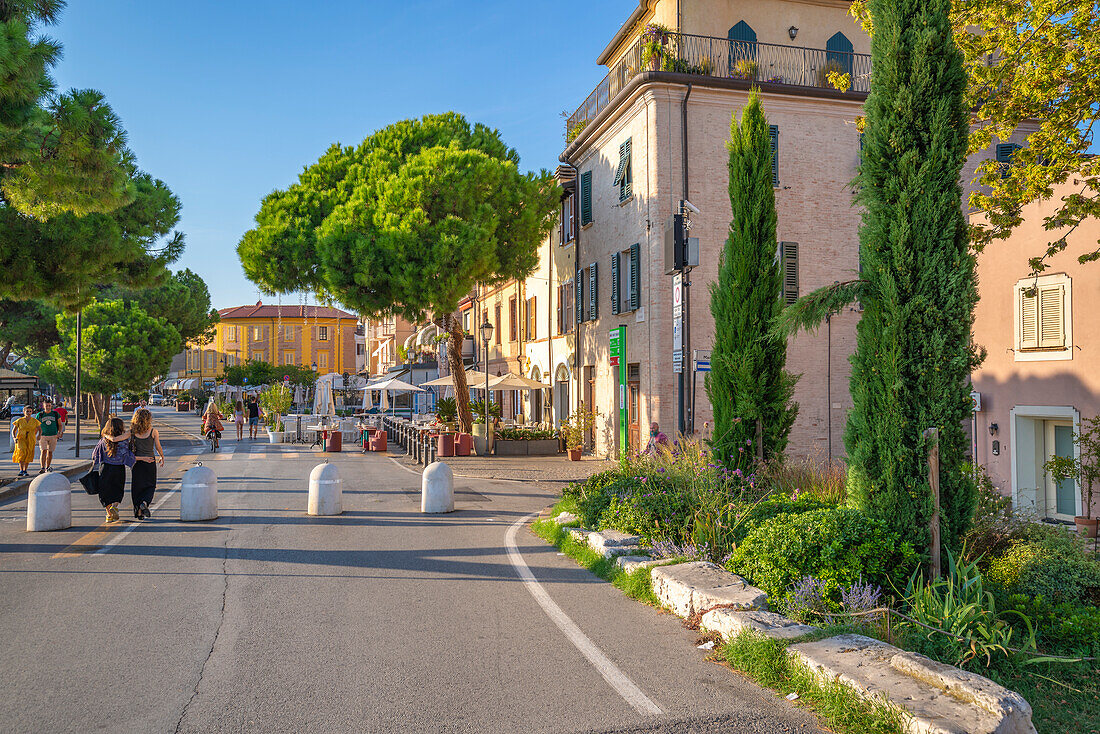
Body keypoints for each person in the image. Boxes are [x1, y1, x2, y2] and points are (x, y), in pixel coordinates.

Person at [91, 417, 136, 523]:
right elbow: (127, 454)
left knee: (105, 492)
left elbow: (95, 454)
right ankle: (115, 507)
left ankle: (109, 514)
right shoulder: (124, 441)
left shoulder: (103, 440)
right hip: (119, 468)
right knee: (118, 489)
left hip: (105, 468)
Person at [128, 408, 164, 519]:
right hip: (150, 462)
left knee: (137, 487)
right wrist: (162, 456)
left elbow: (118, 439)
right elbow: (158, 447)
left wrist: (107, 436)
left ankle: (138, 512)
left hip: (137, 463)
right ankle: (145, 502)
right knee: (150, 485)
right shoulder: (153, 431)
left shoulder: (132, 432)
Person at [10, 405, 40, 477]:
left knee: (28, 453)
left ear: (32, 412)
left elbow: (39, 429)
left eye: (30, 411)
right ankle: (21, 470)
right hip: (21, 439)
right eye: (27, 411)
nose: (28, 413)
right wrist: (14, 438)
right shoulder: (19, 420)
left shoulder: (35, 421)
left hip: (30, 439)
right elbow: (13, 430)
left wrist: (38, 436)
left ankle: (25, 470)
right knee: (21, 453)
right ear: (24, 412)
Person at [34, 398, 63, 473]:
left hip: (53, 435)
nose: (48, 407)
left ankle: (48, 466)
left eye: (49, 405)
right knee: (43, 451)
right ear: (44, 406)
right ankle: (42, 467)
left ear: (51, 406)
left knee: (50, 452)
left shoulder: (55, 414)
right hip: (43, 435)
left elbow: (60, 424)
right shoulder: (40, 415)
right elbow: (36, 426)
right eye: (46, 405)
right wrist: (34, 435)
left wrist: (59, 432)